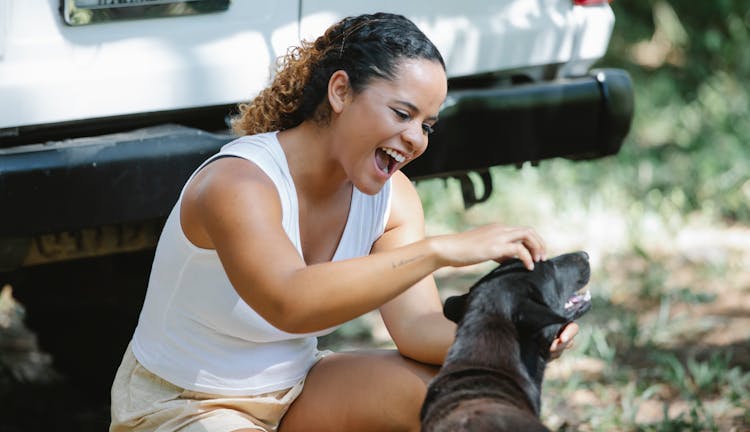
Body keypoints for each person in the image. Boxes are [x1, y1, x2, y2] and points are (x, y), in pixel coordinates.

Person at [109, 12, 579, 432]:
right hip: (183, 405)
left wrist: (521, 338)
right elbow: (289, 301)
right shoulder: (239, 183)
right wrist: (439, 249)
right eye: (402, 113)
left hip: (297, 390)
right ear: (340, 92)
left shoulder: (392, 199)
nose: (415, 138)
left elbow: (417, 330)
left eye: (428, 125)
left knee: (453, 399)